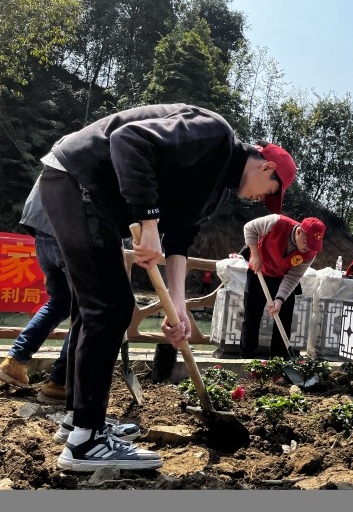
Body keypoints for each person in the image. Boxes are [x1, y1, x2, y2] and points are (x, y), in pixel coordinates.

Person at [37, 103, 296, 472]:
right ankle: (86, 443)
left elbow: (180, 239)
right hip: (77, 180)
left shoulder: (216, 188)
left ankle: (79, 422)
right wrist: (150, 221)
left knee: (92, 307)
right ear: (266, 166)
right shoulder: (214, 135)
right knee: (110, 308)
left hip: (89, 193)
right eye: (269, 191)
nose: (261, 201)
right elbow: (129, 141)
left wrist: (178, 303)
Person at [0, 176, 70, 405]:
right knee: (88, 309)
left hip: (41, 230)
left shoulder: (68, 149)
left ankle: (15, 361)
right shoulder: (110, 149)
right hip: (71, 235)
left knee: (60, 301)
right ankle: (60, 383)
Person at [239, 214, 326, 359]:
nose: (308, 249)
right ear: (299, 232)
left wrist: (279, 299)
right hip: (259, 271)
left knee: (284, 318)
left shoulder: (310, 253)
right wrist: (254, 254)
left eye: (313, 245)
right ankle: (247, 356)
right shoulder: (276, 222)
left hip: (281, 278)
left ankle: (278, 359)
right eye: (306, 244)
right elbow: (249, 227)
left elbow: (293, 276)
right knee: (252, 316)